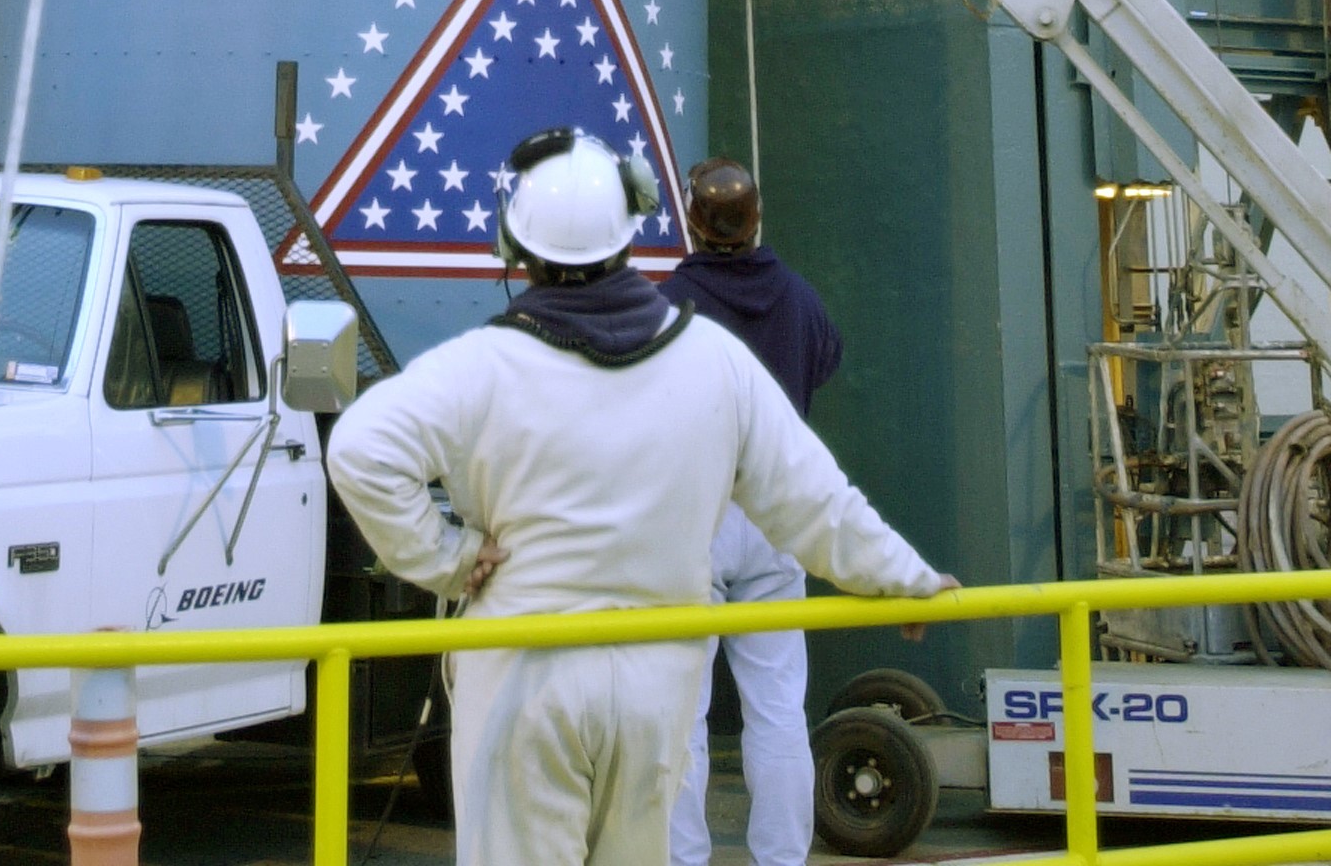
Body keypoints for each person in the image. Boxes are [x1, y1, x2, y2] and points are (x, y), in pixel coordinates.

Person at [325, 128, 953, 866]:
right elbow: (815, 499)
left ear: (513, 246)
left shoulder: (479, 368)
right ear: (631, 231)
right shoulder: (716, 362)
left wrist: (448, 558)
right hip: (655, 687)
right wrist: (906, 577)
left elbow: (360, 450)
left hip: (525, 679)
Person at [664, 159, 842, 866]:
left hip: (695, 520)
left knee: (682, 715)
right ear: (757, 218)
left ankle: (682, 859)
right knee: (777, 709)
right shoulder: (799, 297)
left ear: (692, 223)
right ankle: (783, 859)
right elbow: (823, 362)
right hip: (776, 515)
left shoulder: (669, 305)